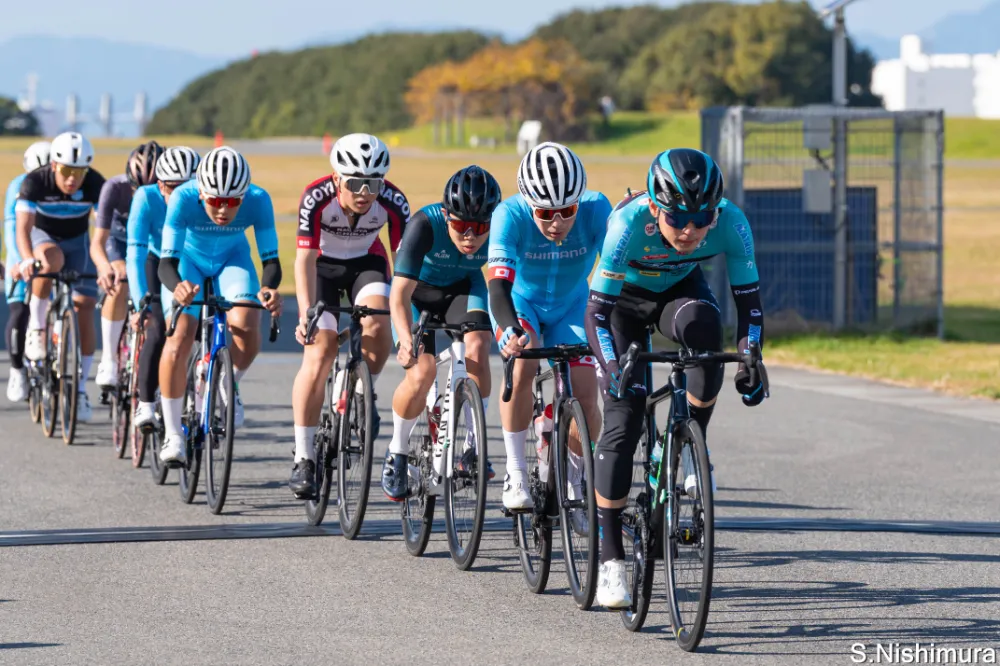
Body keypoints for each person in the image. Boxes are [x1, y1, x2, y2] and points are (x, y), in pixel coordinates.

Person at [585, 147, 768, 609]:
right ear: (654, 207)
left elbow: (749, 306)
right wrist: (612, 367)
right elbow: (596, 314)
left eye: (701, 219)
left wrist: (750, 358)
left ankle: (686, 445)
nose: (690, 230)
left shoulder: (732, 223)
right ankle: (611, 560)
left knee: (707, 336)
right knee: (623, 420)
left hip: (680, 292)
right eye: (677, 218)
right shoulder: (626, 226)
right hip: (623, 303)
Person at [487, 141, 610, 519]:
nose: (557, 223)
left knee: (586, 395)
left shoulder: (596, 208)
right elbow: (498, 287)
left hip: (572, 305)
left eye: (567, 211)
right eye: (545, 213)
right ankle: (515, 472)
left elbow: (617, 272)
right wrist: (509, 330)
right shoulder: (509, 215)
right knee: (523, 362)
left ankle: (574, 478)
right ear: (529, 204)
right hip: (520, 303)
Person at [287, 133, 409, 496]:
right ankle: (304, 457)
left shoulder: (393, 201)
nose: (365, 192)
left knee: (379, 327)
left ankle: (359, 389)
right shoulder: (315, 197)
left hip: (366, 264)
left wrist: (406, 320)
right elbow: (304, 260)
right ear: (336, 178)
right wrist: (305, 314)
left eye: (374, 183)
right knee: (320, 350)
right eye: (355, 183)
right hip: (322, 268)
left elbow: (405, 267)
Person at [375, 165, 501, 502]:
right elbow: (398, 295)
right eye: (460, 226)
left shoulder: (501, 228)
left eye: (480, 227)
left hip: (464, 287)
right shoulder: (424, 225)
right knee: (423, 372)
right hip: (418, 294)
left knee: (478, 346)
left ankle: (473, 448)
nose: (470, 236)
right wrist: (405, 339)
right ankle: (397, 451)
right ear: (447, 216)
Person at [156, 146, 282, 465]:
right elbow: (166, 263)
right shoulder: (183, 198)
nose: (223, 210)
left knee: (247, 324)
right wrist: (178, 286)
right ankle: (173, 434)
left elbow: (271, 260)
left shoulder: (259, 199)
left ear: (244, 195)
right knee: (180, 336)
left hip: (232, 258)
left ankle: (228, 383)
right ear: (201, 193)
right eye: (215, 201)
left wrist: (268, 288)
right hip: (188, 261)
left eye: (233, 202)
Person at [15, 131, 104, 421]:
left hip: (78, 241)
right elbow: (23, 228)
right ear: (53, 166)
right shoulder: (35, 182)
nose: (72, 180)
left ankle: (80, 389)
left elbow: (102, 228)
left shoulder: (94, 184)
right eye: (66, 171)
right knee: (51, 260)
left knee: (85, 306)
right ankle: (37, 329)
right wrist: (27, 259)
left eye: (79, 173)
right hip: (45, 237)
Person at [125, 146, 201, 431]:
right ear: (159, 185)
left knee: (206, 324)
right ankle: (145, 404)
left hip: (192, 260)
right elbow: (135, 253)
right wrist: (140, 302)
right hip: (157, 260)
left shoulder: (206, 199)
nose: (180, 195)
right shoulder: (145, 198)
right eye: (172, 188)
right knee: (157, 327)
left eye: (187, 187)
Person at [93, 140, 164, 390]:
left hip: (149, 245)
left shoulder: (171, 193)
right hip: (118, 241)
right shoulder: (113, 188)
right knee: (120, 277)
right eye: (137, 189)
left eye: (151, 189)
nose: (143, 197)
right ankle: (109, 359)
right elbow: (98, 241)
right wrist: (105, 266)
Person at [4, 141, 51, 402]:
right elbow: (13, 228)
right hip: (22, 250)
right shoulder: (18, 186)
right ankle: (17, 369)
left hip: (47, 247)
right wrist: (20, 260)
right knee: (19, 310)